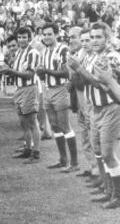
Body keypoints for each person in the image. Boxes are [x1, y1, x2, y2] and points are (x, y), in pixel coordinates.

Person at [68, 22, 120, 209]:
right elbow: (82, 83)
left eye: (99, 37)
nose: (95, 41)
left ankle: (117, 195)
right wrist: (75, 71)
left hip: (109, 108)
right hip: (94, 108)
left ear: (107, 38)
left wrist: (79, 69)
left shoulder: (111, 56)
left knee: (107, 153)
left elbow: (102, 84)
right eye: (92, 37)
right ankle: (108, 190)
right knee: (98, 152)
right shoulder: (92, 56)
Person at [36, 23, 79, 172]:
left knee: (64, 125)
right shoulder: (44, 51)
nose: (47, 37)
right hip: (48, 90)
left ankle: (74, 163)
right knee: (54, 125)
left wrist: (45, 70)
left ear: (56, 34)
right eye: (45, 34)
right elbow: (43, 72)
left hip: (60, 89)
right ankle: (63, 159)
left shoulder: (63, 49)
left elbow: (66, 72)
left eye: (49, 34)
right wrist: (39, 72)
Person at [0, 27, 41, 163]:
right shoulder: (19, 52)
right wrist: (7, 71)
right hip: (19, 89)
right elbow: (17, 71)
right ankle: (28, 149)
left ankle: (36, 153)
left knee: (32, 122)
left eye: (24, 37)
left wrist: (11, 71)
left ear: (29, 38)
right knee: (23, 122)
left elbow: (30, 74)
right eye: (20, 37)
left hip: (29, 88)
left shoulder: (32, 52)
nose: (22, 40)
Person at [67, 27, 98, 178]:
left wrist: (74, 74)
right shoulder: (77, 56)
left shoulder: (87, 56)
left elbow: (82, 82)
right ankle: (94, 168)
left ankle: (98, 171)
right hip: (80, 100)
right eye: (70, 37)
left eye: (74, 37)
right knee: (85, 135)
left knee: (92, 136)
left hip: (88, 100)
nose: (71, 40)